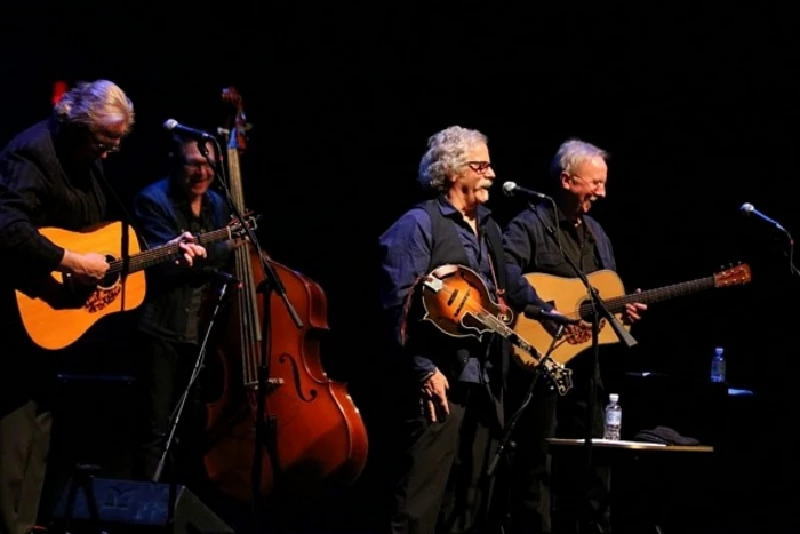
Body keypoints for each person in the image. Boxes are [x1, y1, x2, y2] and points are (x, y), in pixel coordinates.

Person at [0, 80, 206, 534]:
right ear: (74, 124)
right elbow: (9, 227)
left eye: (115, 145)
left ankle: (27, 521)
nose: (109, 154)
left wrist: (169, 250)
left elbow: (102, 240)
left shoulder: (87, 160)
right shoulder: (32, 153)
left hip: (56, 320)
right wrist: (72, 261)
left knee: (42, 420)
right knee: (15, 424)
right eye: (102, 143)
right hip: (20, 307)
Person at [378, 125, 553, 534]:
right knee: (420, 504)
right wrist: (423, 370)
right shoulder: (418, 224)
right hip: (441, 379)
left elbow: (508, 280)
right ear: (454, 171)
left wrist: (546, 311)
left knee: (470, 502)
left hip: (486, 381)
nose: (492, 174)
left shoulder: (488, 225)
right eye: (482, 166)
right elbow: (395, 308)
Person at [502, 138, 647, 534]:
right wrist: (542, 308)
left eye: (603, 183)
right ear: (567, 180)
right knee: (539, 459)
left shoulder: (597, 233)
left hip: (589, 364)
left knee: (594, 457)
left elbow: (604, 293)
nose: (602, 193)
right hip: (545, 360)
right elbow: (505, 273)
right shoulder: (528, 225)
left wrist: (624, 308)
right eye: (595, 184)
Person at [130, 133, 235, 485]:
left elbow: (228, 251)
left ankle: (183, 507)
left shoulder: (218, 203)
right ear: (175, 161)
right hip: (160, 327)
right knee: (155, 429)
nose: (201, 172)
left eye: (208, 164)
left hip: (203, 332)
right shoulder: (152, 200)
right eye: (193, 163)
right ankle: (146, 509)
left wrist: (208, 251)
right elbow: (168, 264)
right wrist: (216, 246)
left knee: (193, 428)